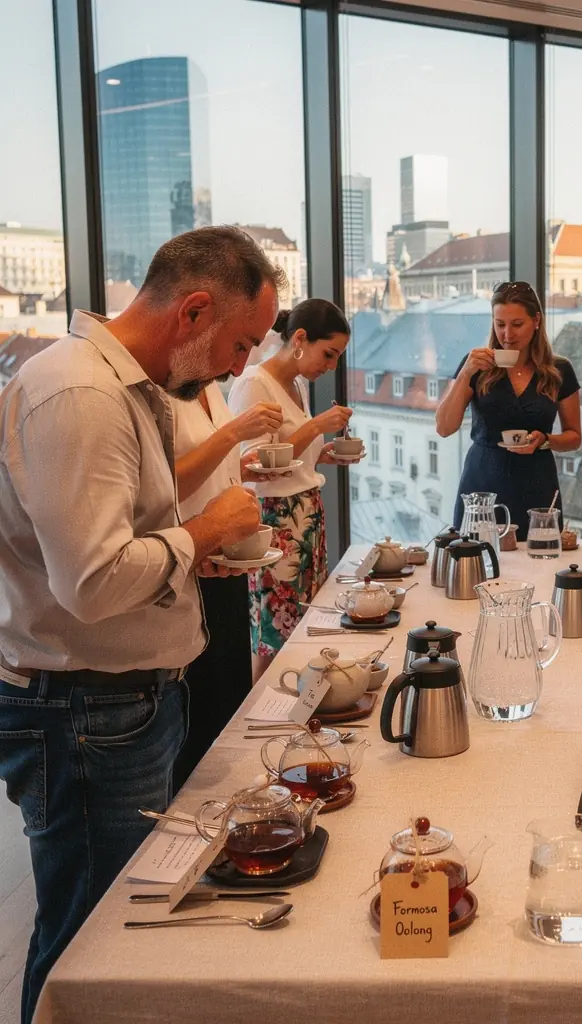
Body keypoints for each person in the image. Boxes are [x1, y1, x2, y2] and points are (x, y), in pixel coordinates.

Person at [0, 225, 282, 1022]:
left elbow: (121, 544)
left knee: (115, 925)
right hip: (84, 712)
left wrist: (191, 559)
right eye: (239, 344)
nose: (238, 368)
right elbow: (90, 584)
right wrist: (202, 533)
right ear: (193, 310)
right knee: (91, 943)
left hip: (121, 701)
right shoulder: (81, 394)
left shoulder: (126, 387)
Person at [228, 299, 356, 682]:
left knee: (301, 628)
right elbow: (254, 466)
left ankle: (297, 709)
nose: (330, 366)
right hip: (275, 521)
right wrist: (317, 427)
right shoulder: (254, 383)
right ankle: (259, 719)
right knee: (273, 636)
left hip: (305, 515)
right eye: (328, 354)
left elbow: (291, 459)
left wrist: (326, 453)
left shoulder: (296, 383)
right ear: (300, 338)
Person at [171, 385, 284, 788]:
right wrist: (234, 432)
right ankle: (204, 815)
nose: (240, 366)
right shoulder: (165, 392)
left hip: (226, 555)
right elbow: (165, 484)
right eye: (239, 344)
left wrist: (243, 468)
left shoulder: (211, 390)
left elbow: (211, 467)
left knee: (232, 694)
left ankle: (236, 806)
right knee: (204, 708)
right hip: (190, 560)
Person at [435, 281, 582, 539]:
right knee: (477, 565)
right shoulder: (475, 366)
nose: (507, 335)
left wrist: (545, 441)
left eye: (516, 325)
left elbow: (574, 437)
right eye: (499, 324)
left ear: (536, 320)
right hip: (481, 484)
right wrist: (465, 373)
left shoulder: (560, 370)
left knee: (540, 564)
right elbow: (444, 427)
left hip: (537, 483)